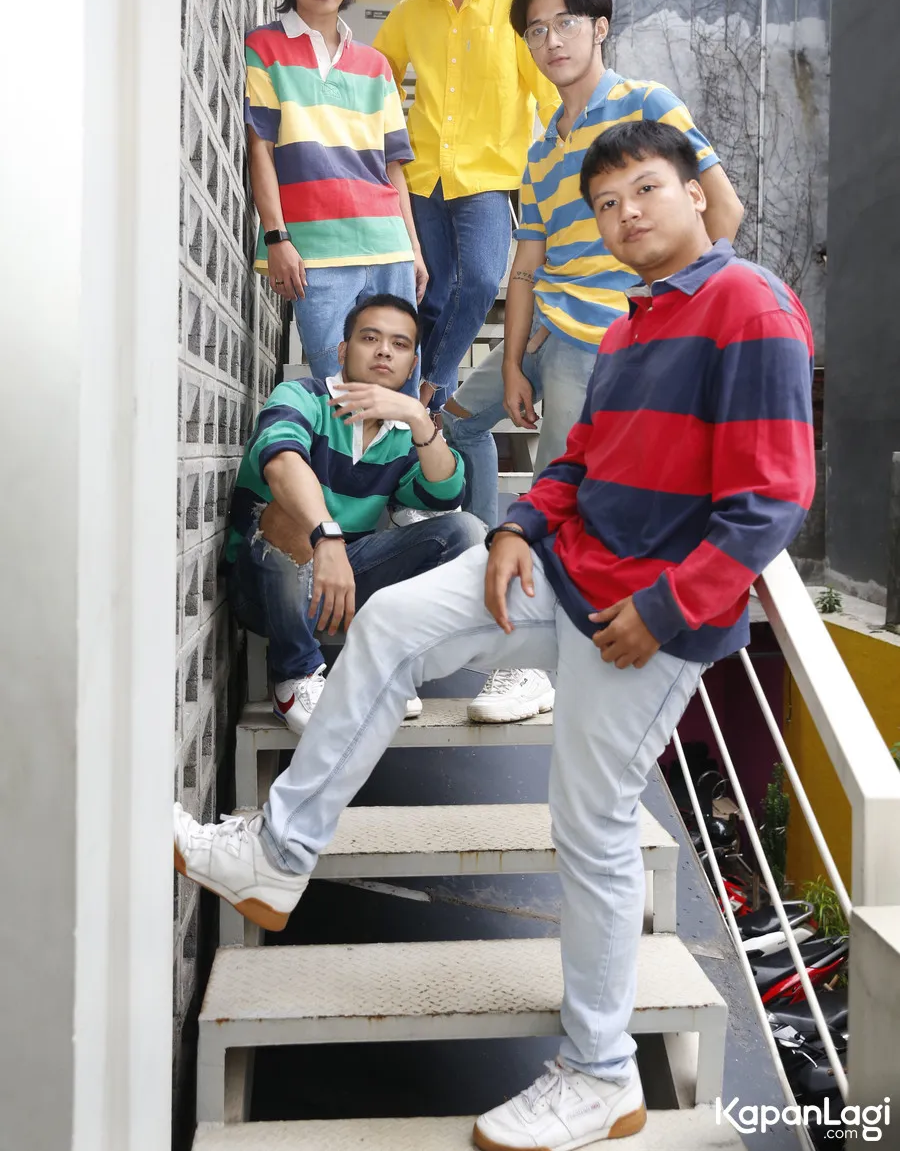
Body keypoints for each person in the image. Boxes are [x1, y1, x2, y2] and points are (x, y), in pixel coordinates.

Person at [175, 119, 815, 1148]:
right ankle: (277, 855)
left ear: (698, 193)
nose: (625, 214)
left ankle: (602, 1072)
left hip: (644, 622)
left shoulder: (752, 305)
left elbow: (771, 500)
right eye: (605, 204)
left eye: (645, 190)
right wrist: (517, 527)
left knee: (590, 827)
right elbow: (577, 462)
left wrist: (662, 610)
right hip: (560, 571)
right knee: (393, 622)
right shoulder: (629, 326)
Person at [443, 0, 744, 724]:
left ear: (599, 27)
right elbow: (524, 268)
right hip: (546, 322)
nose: (551, 41)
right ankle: (482, 553)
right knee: (452, 424)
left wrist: (670, 317)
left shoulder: (646, 104)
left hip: (604, 335)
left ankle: (530, 664)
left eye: (566, 23)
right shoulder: (542, 150)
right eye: (536, 31)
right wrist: (513, 359)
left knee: (558, 485)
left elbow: (724, 212)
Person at [223, 293, 482, 730]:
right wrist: (326, 538)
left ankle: (388, 667)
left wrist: (419, 417)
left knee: (463, 531)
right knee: (287, 515)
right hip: (264, 585)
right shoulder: (302, 396)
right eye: (370, 338)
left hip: (342, 580)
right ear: (343, 351)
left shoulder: (402, 433)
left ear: (412, 364)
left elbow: (446, 494)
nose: (384, 351)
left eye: (399, 344)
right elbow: (281, 463)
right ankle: (296, 678)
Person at [373, 0, 559, 413]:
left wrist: (568, 158)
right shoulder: (410, 12)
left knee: (477, 281)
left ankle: (427, 387)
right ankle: (423, 414)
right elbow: (375, 81)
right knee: (432, 292)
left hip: (488, 176)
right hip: (423, 172)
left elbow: (547, 90)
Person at [246, 0, 428, 381]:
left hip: (388, 248)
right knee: (338, 391)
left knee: (398, 394)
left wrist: (413, 248)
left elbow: (393, 168)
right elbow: (260, 148)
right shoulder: (263, 47)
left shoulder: (376, 66)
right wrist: (277, 237)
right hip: (317, 255)